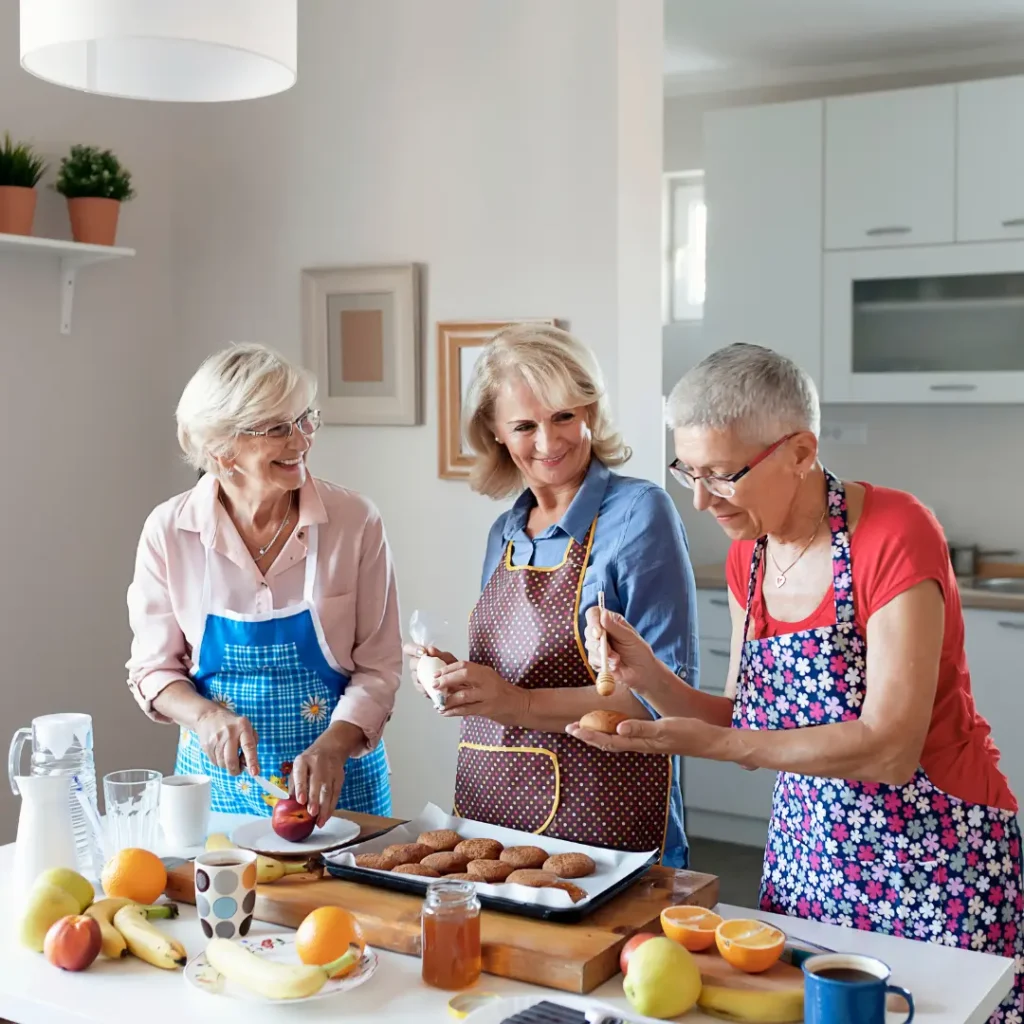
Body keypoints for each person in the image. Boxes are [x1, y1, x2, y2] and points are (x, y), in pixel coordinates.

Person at [570, 342, 1023, 1020]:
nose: (699, 500)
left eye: (721, 475)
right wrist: (649, 675)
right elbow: (747, 720)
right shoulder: (748, 555)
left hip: (939, 856)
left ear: (802, 451)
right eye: (687, 472)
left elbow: (890, 751)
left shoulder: (895, 533)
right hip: (812, 853)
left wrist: (714, 748)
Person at [406, 324, 699, 867]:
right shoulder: (505, 532)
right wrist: (461, 681)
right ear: (495, 433)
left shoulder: (639, 514)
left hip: (607, 822)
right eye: (524, 425)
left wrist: (515, 703)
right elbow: (511, 677)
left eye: (564, 415)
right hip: (493, 817)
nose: (549, 441)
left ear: (590, 410)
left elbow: (662, 701)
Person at [126, 343, 401, 824]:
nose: (301, 441)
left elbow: (379, 667)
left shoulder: (354, 521)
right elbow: (153, 670)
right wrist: (205, 717)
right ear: (221, 448)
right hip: (216, 791)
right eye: (278, 429)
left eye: (304, 419)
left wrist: (334, 746)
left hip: (339, 785)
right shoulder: (169, 531)